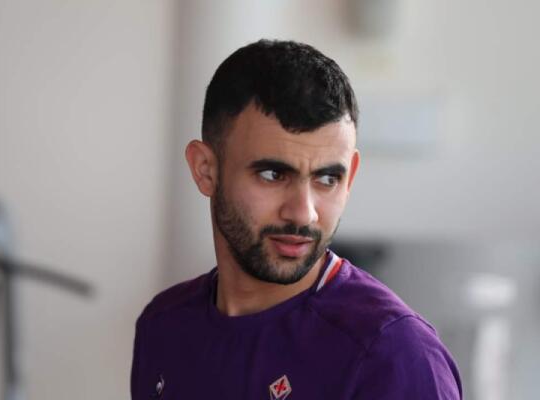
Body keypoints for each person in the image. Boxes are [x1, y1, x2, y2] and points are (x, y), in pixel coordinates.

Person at [130, 39, 462, 400]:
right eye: (273, 175)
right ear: (205, 169)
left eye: (327, 178)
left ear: (350, 177)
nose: (304, 213)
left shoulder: (393, 355)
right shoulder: (163, 326)